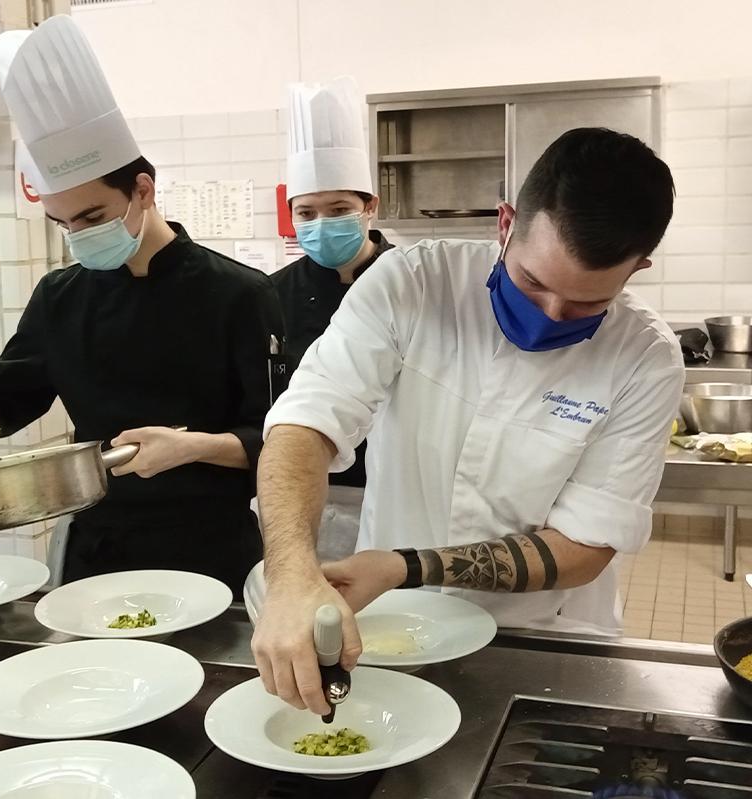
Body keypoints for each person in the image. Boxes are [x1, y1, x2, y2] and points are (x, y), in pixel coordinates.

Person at [252, 127, 683, 716]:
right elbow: (305, 425)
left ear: (639, 268)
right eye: (532, 282)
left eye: (586, 303)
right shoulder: (412, 283)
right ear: (505, 223)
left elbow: (585, 545)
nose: (549, 316)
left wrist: (405, 566)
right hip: (390, 626)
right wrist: (292, 575)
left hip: (540, 635)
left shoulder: (645, 356)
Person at [0, 15, 283, 593]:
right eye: (61, 223)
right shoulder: (62, 295)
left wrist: (193, 446)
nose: (78, 237)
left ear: (143, 189)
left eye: (91, 218)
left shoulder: (240, 293)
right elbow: (13, 391)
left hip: (212, 544)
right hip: (97, 542)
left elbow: (281, 438)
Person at [269, 77, 394, 561]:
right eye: (308, 213)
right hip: (308, 486)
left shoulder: (410, 284)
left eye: (339, 209)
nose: (321, 224)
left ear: (370, 207)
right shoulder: (273, 293)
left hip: (396, 486)